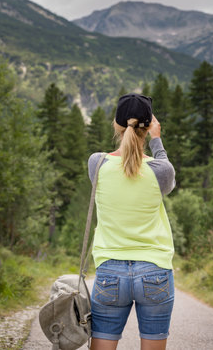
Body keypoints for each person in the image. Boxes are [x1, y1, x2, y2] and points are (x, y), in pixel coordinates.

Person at [87, 93, 176, 350]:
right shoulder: (160, 171)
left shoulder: (97, 163)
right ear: (149, 126)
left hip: (109, 272)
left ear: (117, 125)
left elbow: (124, 164)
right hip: (155, 270)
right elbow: (165, 172)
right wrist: (156, 140)